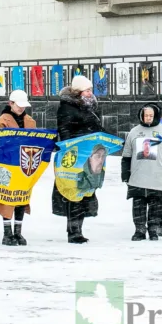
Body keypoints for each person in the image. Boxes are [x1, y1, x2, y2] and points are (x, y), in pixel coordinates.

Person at [55, 75, 104, 243]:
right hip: (75, 155)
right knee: (73, 191)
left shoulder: (92, 107)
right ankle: (73, 231)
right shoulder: (67, 107)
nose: (90, 93)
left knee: (84, 189)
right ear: (78, 92)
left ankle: (78, 228)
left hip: (90, 154)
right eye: (87, 90)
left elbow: (98, 128)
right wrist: (77, 142)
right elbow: (65, 130)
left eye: (91, 90)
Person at [121, 104, 162, 241]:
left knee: (157, 205)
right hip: (138, 177)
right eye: (145, 115)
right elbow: (127, 156)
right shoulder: (133, 132)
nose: (148, 118)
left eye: (150, 116)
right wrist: (125, 173)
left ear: (156, 116)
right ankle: (139, 230)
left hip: (159, 176)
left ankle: (153, 229)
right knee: (138, 205)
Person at [0, 89, 36, 245]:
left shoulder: (30, 121)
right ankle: (7, 232)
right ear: (10, 103)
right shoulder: (3, 120)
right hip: (8, 164)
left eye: (23, 106)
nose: (22, 108)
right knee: (8, 197)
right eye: (19, 105)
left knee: (21, 197)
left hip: (25, 165)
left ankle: (18, 231)